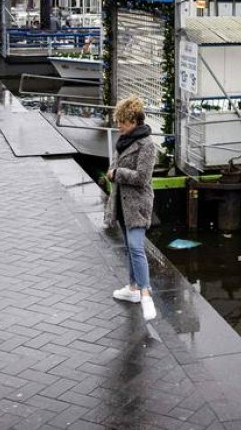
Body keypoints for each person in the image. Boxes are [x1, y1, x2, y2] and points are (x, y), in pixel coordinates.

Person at [103, 97, 158, 321]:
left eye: (122, 122)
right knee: (129, 245)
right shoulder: (123, 141)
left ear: (134, 121)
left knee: (136, 247)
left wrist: (117, 174)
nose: (119, 127)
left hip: (137, 204)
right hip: (122, 203)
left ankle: (146, 295)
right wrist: (113, 170)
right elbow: (114, 165)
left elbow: (143, 178)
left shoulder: (147, 145)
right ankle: (133, 288)